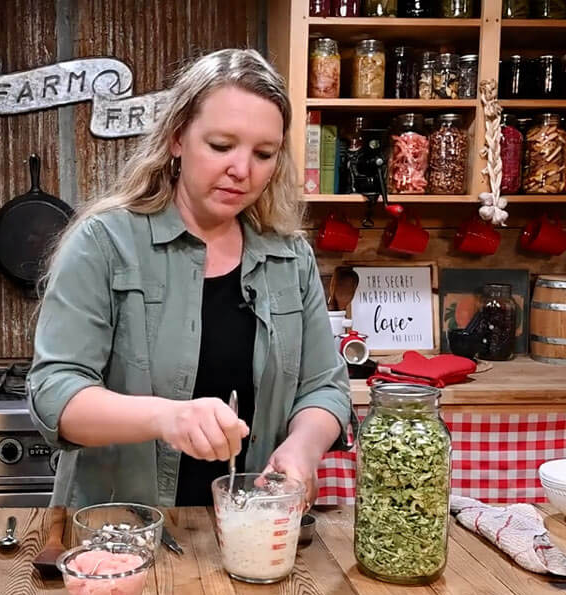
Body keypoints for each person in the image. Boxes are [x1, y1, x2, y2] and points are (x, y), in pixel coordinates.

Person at [27, 48, 351, 508]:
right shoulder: (105, 242)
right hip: (122, 531)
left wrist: (304, 446)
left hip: (253, 526)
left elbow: (325, 386)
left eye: (264, 153)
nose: (242, 170)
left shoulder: (289, 255)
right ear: (177, 137)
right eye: (221, 146)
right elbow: (55, 393)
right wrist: (167, 418)